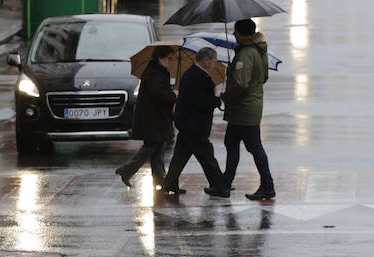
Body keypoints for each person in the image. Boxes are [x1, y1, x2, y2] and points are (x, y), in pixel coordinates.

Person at [216, 18, 275, 202]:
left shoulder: (245, 54)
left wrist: (226, 96)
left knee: (253, 147)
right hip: (248, 108)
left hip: (244, 109)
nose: (233, 34)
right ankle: (225, 183)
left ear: (242, 33)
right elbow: (263, 77)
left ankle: (267, 185)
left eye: (235, 31)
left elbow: (241, 84)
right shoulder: (258, 51)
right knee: (232, 143)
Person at [162, 47, 229, 197]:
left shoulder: (193, 74)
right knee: (207, 157)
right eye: (214, 60)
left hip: (187, 123)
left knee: (180, 155)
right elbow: (200, 102)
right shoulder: (198, 77)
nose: (214, 63)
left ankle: (170, 183)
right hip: (194, 125)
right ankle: (220, 187)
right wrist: (217, 100)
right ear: (206, 60)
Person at [115, 46, 176, 189]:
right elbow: (157, 94)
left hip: (157, 118)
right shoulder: (153, 73)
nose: (170, 61)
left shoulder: (159, 72)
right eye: (169, 58)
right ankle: (126, 169)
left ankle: (160, 181)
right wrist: (174, 95)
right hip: (152, 119)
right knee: (151, 147)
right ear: (160, 58)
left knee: (158, 150)